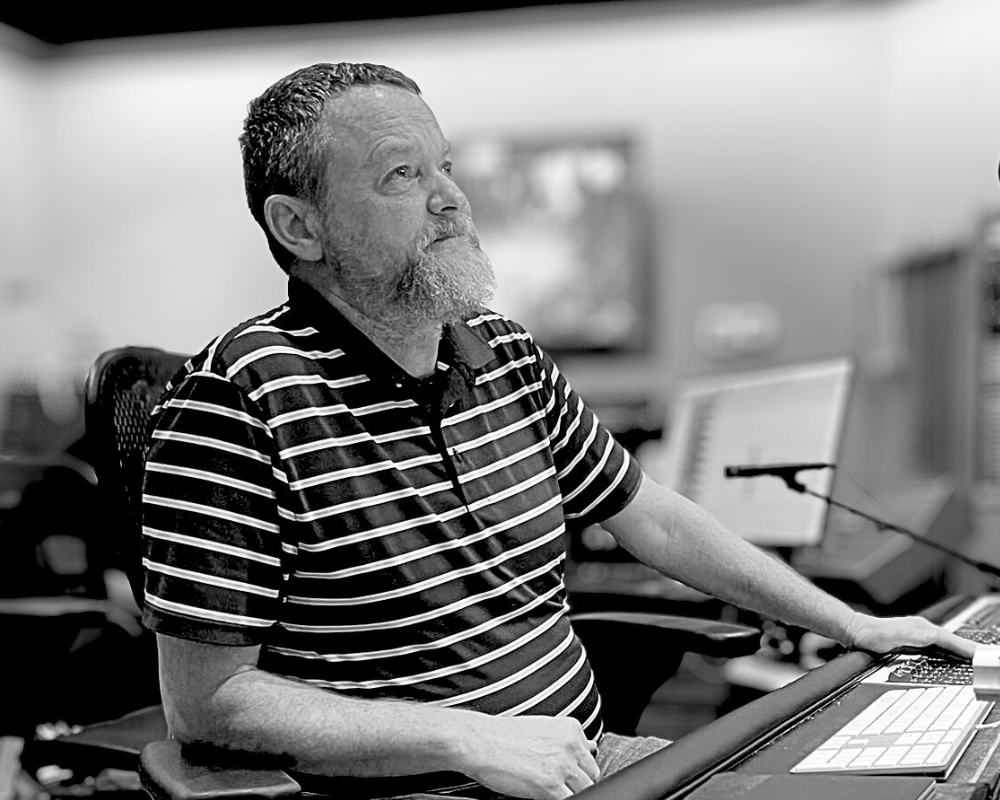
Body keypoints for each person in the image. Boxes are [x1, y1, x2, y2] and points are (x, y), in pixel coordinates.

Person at [141, 62, 975, 800]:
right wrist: (463, 737)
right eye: (402, 175)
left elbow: (652, 514)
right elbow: (207, 705)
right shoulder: (237, 399)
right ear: (300, 227)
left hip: (591, 763)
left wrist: (851, 625)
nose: (452, 199)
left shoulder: (504, 352)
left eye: (447, 167)